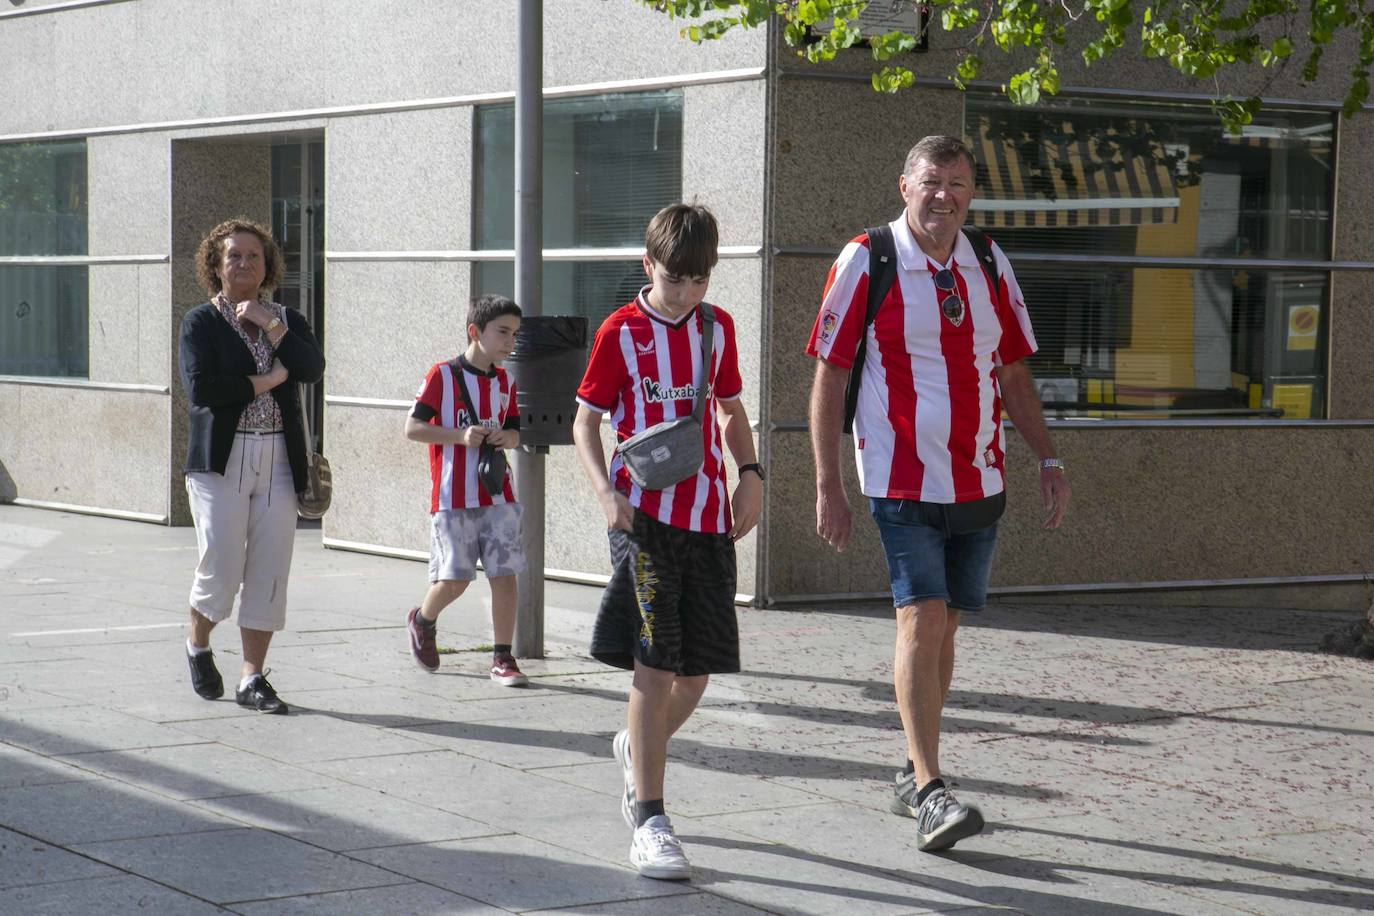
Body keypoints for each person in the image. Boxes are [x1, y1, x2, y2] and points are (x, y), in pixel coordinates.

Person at [806, 136, 1071, 852]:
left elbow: (1013, 371)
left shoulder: (989, 261)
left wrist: (1047, 457)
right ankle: (930, 791)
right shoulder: (869, 257)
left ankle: (911, 767)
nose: (944, 195)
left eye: (957, 183)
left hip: (981, 477)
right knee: (921, 620)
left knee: (947, 627)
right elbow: (830, 374)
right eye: (931, 181)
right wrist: (828, 482)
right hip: (898, 476)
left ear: (972, 193)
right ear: (904, 186)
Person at [572, 203, 762, 880]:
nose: (684, 292)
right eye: (674, 277)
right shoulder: (620, 332)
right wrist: (605, 493)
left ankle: (635, 744)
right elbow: (585, 423)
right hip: (644, 522)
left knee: (697, 672)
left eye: (698, 279)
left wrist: (752, 475)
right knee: (653, 666)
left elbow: (731, 411)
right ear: (647, 266)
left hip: (709, 518)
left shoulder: (718, 328)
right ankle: (650, 816)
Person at [179, 217, 326, 715]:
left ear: (268, 266)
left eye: (253, 256)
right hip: (221, 461)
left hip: (279, 457)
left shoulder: (286, 319)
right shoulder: (200, 322)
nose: (243, 263)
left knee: (268, 571)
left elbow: (310, 370)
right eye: (233, 256)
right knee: (221, 568)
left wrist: (270, 324)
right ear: (216, 267)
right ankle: (198, 643)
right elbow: (204, 391)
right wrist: (267, 380)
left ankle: (252, 677)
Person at [403, 294, 528, 687]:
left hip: (498, 493)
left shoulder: (506, 381)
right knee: (454, 580)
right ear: (475, 332)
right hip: (452, 497)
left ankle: (503, 656)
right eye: (503, 332)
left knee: (504, 573)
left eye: (514, 334)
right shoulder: (441, 375)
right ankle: (422, 620)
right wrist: (459, 435)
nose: (510, 342)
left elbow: (514, 428)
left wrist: (508, 437)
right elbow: (413, 428)